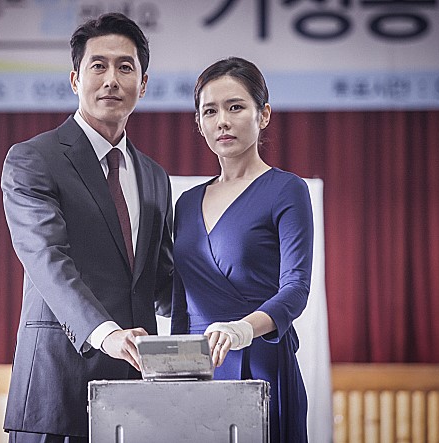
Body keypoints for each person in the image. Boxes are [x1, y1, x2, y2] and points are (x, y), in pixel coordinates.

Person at [0, 13, 173, 443]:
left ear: (143, 85)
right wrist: (107, 334)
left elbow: (162, 280)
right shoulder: (33, 159)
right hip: (56, 392)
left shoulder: (155, 176)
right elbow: (47, 260)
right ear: (75, 80)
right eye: (99, 66)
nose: (111, 79)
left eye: (125, 67)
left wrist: (235, 316)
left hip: (136, 394)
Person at [170, 57, 313, 442]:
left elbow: (296, 289)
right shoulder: (185, 202)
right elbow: (181, 303)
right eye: (210, 111)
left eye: (235, 107)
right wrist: (174, 371)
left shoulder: (286, 189)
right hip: (197, 368)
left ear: (263, 114)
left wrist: (242, 329)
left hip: (261, 359)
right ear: (199, 123)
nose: (223, 121)